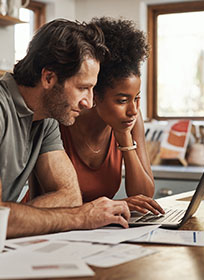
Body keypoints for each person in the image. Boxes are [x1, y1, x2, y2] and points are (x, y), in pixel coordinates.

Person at [0, 18, 130, 245]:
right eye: (82, 88)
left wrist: (7, 221)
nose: (88, 102)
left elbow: (70, 196)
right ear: (48, 78)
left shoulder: (46, 120)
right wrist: (81, 217)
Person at [60, 17, 164, 215]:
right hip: (43, 229)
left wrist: (125, 138)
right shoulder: (63, 120)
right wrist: (115, 205)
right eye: (122, 100)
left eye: (137, 98)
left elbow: (144, 196)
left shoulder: (130, 121)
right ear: (94, 95)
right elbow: (51, 200)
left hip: (93, 232)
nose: (133, 110)